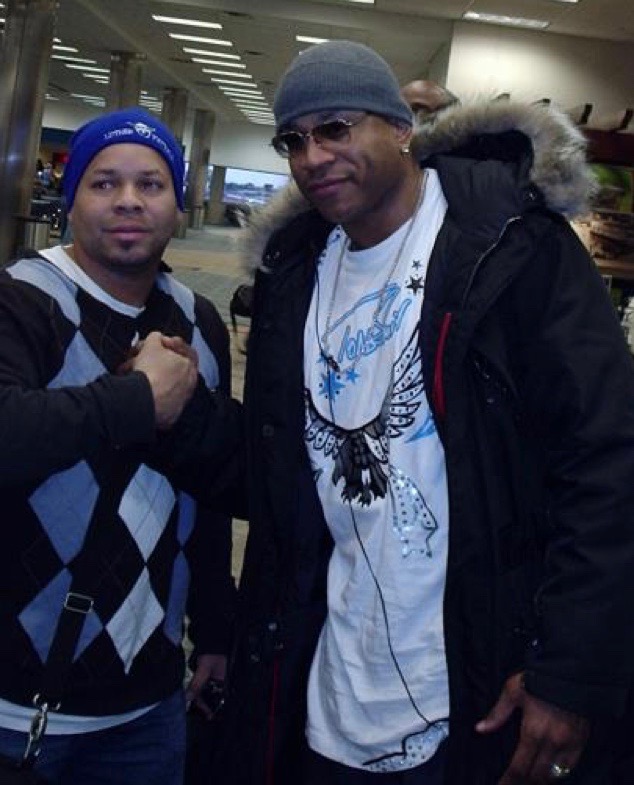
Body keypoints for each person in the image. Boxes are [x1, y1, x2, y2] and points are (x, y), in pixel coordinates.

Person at [218, 40, 634, 785]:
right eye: (294, 140)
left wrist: (570, 669)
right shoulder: (293, 274)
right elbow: (277, 478)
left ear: (401, 128)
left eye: (336, 128)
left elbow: (607, 461)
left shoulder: (512, 246)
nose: (313, 157)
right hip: (329, 687)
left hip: (479, 691)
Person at [0, 108, 242, 784]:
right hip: (15, 702)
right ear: (71, 198)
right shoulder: (22, 301)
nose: (129, 200)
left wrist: (216, 627)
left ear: (178, 204)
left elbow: (208, 492)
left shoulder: (197, 319)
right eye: (104, 182)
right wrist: (137, 401)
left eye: (151, 184)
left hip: (147, 706)